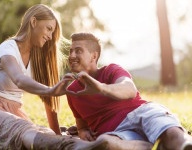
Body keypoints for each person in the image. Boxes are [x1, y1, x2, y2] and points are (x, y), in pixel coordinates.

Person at [0, 4, 107, 150]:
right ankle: (80, 147)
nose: (50, 36)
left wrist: (56, 132)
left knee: (45, 132)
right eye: (49, 29)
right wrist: (50, 90)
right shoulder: (7, 49)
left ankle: (78, 144)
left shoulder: (37, 57)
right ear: (33, 22)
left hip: (14, 110)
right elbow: (19, 79)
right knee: (23, 130)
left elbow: (49, 101)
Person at [64, 32, 192, 150]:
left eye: (78, 51)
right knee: (104, 142)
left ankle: (184, 145)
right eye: (71, 51)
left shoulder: (111, 70)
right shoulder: (72, 91)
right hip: (117, 133)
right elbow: (81, 125)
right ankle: (155, 146)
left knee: (170, 131)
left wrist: (100, 87)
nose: (72, 56)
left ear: (94, 56)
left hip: (142, 113)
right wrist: (82, 131)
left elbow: (129, 89)